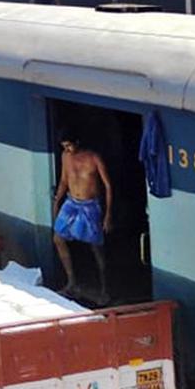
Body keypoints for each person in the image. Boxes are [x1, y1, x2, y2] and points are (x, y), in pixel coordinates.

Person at [52, 129, 113, 302]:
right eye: (64, 147)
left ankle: (105, 288)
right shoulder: (65, 156)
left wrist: (108, 214)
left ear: (77, 142)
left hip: (90, 205)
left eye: (69, 145)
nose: (68, 149)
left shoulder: (94, 158)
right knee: (58, 238)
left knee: (95, 245)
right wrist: (57, 200)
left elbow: (108, 186)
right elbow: (64, 180)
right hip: (71, 203)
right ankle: (71, 281)